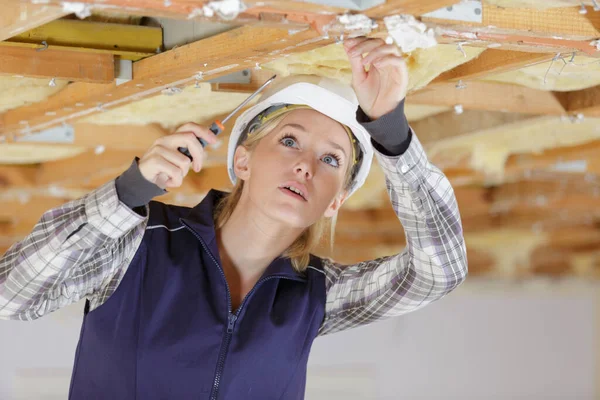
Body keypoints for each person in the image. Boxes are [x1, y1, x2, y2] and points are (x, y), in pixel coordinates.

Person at [0, 37, 467, 399]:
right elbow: (12, 295)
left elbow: (439, 272)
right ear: (242, 161)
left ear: (335, 201)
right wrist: (129, 193)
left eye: (331, 160)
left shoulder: (315, 296)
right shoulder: (141, 242)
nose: (306, 164)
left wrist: (391, 130)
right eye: (289, 140)